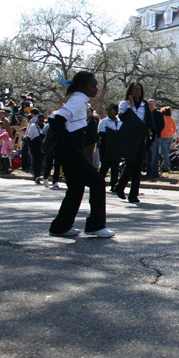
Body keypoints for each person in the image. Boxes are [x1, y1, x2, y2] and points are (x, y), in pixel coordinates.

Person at [47, 71, 114, 238]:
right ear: (82, 87)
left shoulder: (80, 100)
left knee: (76, 188)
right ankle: (95, 225)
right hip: (70, 150)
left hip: (69, 150)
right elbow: (57, 119)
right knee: (97, 182)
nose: (96, 89)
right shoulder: (78, 99)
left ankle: (61, 226)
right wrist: (67, 142)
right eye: (93, 86)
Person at [115, 82, 155, 203]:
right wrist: (131, 105)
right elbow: (123, 117)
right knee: (130, 164)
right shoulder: (124, 104)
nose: (137, 92)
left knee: (138, 167)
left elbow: (149, 120)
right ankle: (120, 186)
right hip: (129, 137)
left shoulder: (144, 105)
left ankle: (133, 195)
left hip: (141, 137)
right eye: (134, 89)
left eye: (139, 89)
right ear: (130, 91)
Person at [98, 104, 122, 193]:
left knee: (115, 167)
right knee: (105, 166)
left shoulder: (120, 122)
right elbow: (101, 134)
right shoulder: (104, 122)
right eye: (107, 110)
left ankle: (113, 185)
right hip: (106, 147)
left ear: (115, 111)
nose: (109, 112)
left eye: (110, 110)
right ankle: (99, 183)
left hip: (116, 147)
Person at [144, 99, 164, 178]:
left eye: (152, 104)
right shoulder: (145, 114)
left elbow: (161, 126)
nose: (151, 105)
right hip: (146, 136)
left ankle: (154, 171)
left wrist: (155, 131)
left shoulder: (158, 114)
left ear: (155, 105)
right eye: (149, 104)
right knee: (148, 155)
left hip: (155, 137)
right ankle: (148, 171)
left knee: (154, 155)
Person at [25, 113, 46, 183]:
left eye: (42, 120)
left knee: (41, 162)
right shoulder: (33, 126)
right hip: (35, 145)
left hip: (42, 145)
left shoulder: (45, 127)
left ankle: (39, 174)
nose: (41, 122)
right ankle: (36, 176)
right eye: (40, 120)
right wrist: (30, 145)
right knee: (36, 161)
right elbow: (28, 137)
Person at [159, 106, 176, 173]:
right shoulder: (171, 119)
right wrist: (171, 132)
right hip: (170, 136)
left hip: (163, 136)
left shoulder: (162, 118)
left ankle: (167, 166)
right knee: (167, 152)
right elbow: (174, 128)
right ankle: (164, 165)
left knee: (164, 153)